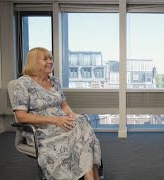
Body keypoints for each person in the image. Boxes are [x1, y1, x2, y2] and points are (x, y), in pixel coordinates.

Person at [12, 47, 101, 180]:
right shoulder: (23, 83)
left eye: (51, 58)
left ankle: (89, 176)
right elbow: (21, 116)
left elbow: (64, 106)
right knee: (83, 135)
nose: (50, 61)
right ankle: (92, 177)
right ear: (34, 62)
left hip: (62, 123)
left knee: (82, 123)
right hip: (41, 130)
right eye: (45, 59)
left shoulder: (55, 81)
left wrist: (71, 115)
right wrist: (55, 120)